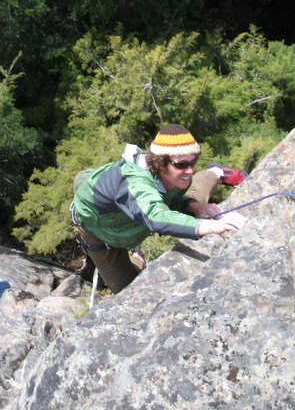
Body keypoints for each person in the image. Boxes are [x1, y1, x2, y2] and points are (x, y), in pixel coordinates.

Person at [70, 124, 248, 293]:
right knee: (124, 289)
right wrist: (211, 227)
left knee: (197, 202)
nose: (190, 170)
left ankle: (215, 172)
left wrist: (192, 206)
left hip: (133, 219)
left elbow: (172, 201)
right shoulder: (135, 183)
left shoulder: (177, 177)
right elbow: (155, 216)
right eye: (181, 164)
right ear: (159, 162)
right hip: (103, 233)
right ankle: (137, 258)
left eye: (193, 162)